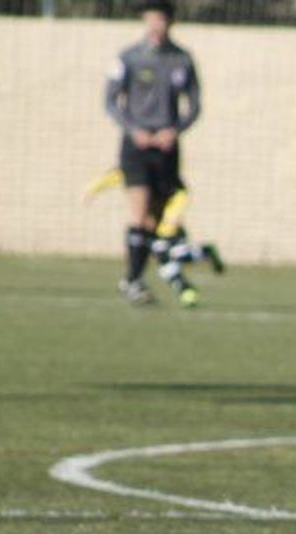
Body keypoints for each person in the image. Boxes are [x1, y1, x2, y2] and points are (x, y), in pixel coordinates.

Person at [104, 0, 201, 307]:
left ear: (171, 21)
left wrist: (175, 129)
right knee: (140, 212)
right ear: (146, 19)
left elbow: (195, 105)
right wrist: (133, 128)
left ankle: (139, 277)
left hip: (166, 148)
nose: (156, 24)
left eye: (162, 18)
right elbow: (110, 101)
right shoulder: (129, 57)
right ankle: (133, 279)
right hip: (136, 147)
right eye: (152, 17)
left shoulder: (182, 59)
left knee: (155, 222)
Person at [81, 165, 224, 284]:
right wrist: (90, 191)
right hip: (153, 227)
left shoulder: (165, 176)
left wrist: (172, 218)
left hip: (168, 227)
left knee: (178, 256)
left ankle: (205, 251)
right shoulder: (134, 170)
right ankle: (185, 290)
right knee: (162, 256)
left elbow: (181, 194)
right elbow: (114, 176)